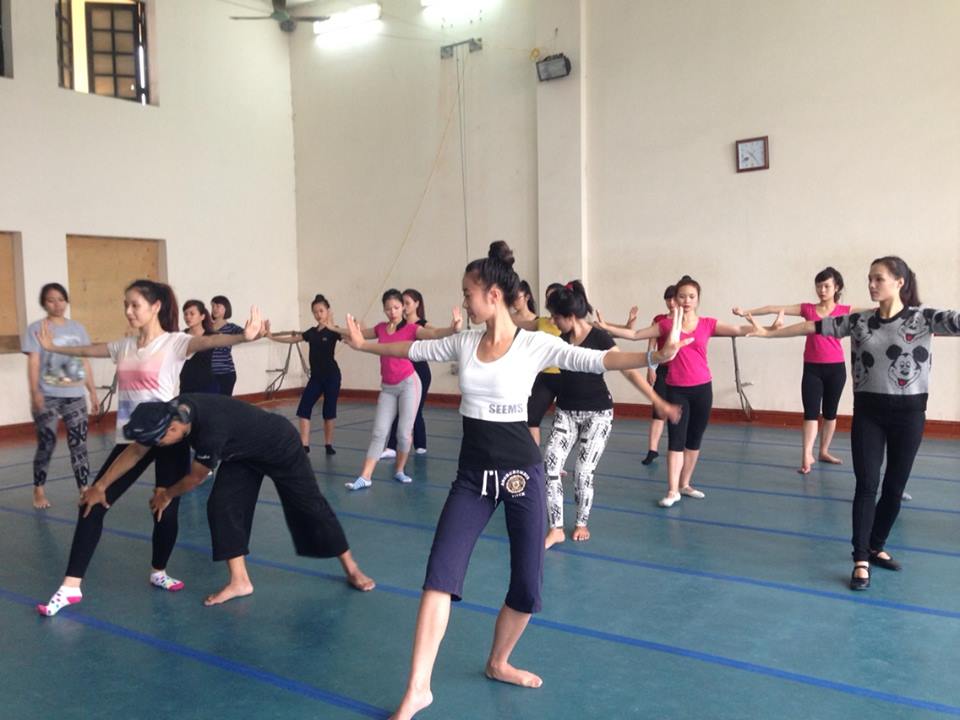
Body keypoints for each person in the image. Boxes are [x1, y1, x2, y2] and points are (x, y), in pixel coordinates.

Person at [339, 241, 690, 720]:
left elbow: (597, 360)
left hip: (522, 474)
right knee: (440, 575)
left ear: (493, 295)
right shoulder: (464, 342)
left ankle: (498, 661)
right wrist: (363, 346)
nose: (464, 302)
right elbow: (412, 347)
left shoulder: (534, 344)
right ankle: (418, 689)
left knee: (527, 584)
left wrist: (653, 358)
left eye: (468, 293)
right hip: (471, 477)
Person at [35, 279, 265, 616]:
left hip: (169, 439)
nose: (128, 311)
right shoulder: (124, 346)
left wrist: (243, 337)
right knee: (93, 501)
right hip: (132, 440)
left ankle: (159, 570)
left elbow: (208, 341)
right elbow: (90, 349)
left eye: (135, 305)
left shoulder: (174, 343)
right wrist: (54, 347)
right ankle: (71, 587)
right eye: (125, 305)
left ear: (155, 307)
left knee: (164, 508)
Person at [746, 256, 959, 590]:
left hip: (910, 415)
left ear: (899, 282)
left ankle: (876, 545)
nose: (871, 285)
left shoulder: (924, 318)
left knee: (894, 489)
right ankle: (860, 558)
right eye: (869, 279)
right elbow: (813, 326)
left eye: (879, 279)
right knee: (867, 484)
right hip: (869, 414)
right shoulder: (859, 321)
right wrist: (767, 335)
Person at [89, 394, 375, 606]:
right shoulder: (170, 413)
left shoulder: (209, 430)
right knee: (221, 506)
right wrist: (100, 485)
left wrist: (166, 494)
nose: (157, 447)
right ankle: (240, 581)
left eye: (159, 441)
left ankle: (351, 568)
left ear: (174, 429)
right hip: (242, 452)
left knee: (309, 505)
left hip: (279, 444)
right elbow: (137, 450)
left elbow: (195, 478)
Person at [597, 275, 780, 507]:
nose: (686, 300)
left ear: (698, 299)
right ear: (675, 299)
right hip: (676, 389)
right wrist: (606, 328)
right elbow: (634, 335)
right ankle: (672, 490)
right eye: (682, 296)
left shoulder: (707, 324)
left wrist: (768, 329)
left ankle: (685, 484)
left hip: (703, 388)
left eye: (691, 296)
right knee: (676, 440)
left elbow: (738, 328)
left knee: (694, 439)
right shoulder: (666, 325)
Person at [542, 281, 680, 548]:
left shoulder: (599, 338)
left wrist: (658, 401)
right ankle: (555, 528)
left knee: (583, 472)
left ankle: (581, 522)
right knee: (550, 465)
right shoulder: (561, 340)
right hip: (566, 412)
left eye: (556, 317)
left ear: (570, 316)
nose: (553, 321)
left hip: (598, 414)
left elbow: (628, 370)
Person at [733, 267, 863, 473]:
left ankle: (824, 451)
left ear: (837, 287)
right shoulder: (807, 309)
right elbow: (772, 308)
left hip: (836, 369)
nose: (822, 290)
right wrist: (746, 312)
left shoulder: (845, 310)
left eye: (826, 286)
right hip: (812, 369)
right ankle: (806, 456)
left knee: (830, 413)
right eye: (818, 286)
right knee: (811, 412)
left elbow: (875, 311)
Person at [338, 289, 461, 490]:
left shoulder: (412, 328)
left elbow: (433, 333)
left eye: (396, 307)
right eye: (388, 308)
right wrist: (334, 328)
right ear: (384, 310)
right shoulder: (380, 329)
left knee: (404, 433)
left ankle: (400, 470)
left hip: (409, 384)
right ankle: (365, 476)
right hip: (387, 387)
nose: (392, 312)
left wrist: (452, 328)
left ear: (403, 307)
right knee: (379, 432)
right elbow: (359, 336)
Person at [21, 283, 100, 509]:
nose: (57, 304)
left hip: (74, 395)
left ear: (66, 301)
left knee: (79, 444)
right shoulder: (36, 328)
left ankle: (83, 489)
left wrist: (92, 391)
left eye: (61, 299)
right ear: (44, 303)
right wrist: (35, 393)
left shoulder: (78, 329)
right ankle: (39, 489)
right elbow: (34, 363)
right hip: (47, 395)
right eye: (51, 300)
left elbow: (84, 361)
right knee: (47, 442)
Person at [268, 294, 341, 455]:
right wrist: (271, 336)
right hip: (316, 378)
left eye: (321, 311)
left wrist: (353, 328)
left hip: (332, 376)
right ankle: (305, 445)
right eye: (315, 312)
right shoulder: (311, 333)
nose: (318, 314)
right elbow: (293, 340)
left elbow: (350, 337)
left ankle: (328, 444)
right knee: (304, 408)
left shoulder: (334, 331)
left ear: (328, 311)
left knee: (329, 411)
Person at [384, 289, 433, 457]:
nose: (404, 307)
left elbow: (434, 332)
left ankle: (420, 445)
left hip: (420, 371)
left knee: (415, 410)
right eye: (402, 303)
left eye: (407, 303)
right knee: (399, 409)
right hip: (402, 371)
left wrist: (451, 329)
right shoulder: (400, 324)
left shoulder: (421, 324)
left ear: (417, 304)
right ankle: (391, 447)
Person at [642, 285, 678, 466]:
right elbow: (651, 346)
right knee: (658, 410)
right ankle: (652, 450)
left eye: (674, 299)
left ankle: (677, 449)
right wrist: (650, 368)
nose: (671, 303)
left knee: (678, 411)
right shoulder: (659, 320)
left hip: (681, 371)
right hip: (663, 370)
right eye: (668, 299)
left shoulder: (685, 320)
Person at [180, 300, 219, 394]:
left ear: (202, 316)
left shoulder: (212, 336)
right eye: (185, 314)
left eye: (192, 314)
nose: (188, 317)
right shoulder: (180, 336)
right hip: (186, 385)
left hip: (207, 386)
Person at [210, 294, 244, 396]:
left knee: (224, 402)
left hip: (226, 372)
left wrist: (259, 331)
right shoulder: (207, 327)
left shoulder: (231, 327)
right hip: (208, 373)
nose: (214, 309)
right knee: (209, 401)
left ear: (226, 308)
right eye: (213, 306)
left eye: (218, 306)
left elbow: (246, 335)